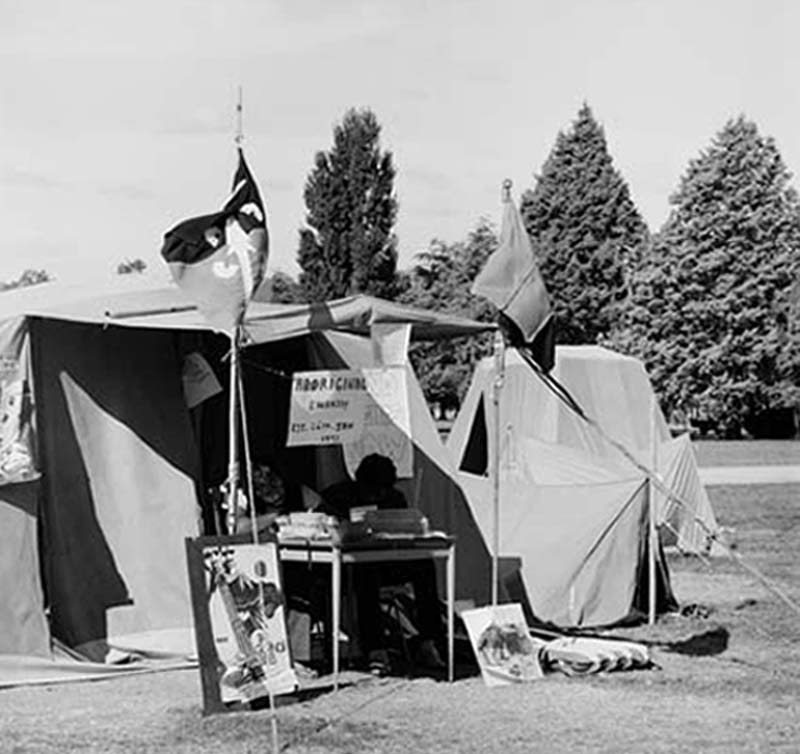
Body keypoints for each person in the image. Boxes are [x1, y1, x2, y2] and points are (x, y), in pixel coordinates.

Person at [321, 454, 445, 675]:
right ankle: (375, 650)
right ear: (361, 482)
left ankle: (429, 640)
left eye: (383, 490)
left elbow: (401, 525)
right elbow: (327, 527)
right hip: (348, 564)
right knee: (365, 575)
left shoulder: (394, 496)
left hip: (385, 559)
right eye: (375, 489)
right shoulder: (338, 496)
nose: (379, 495)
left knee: (424, 565)